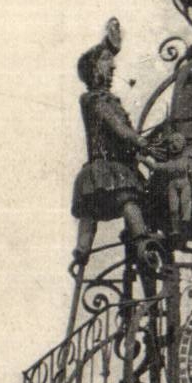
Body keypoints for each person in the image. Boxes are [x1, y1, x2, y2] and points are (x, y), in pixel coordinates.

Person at [70, 28, 155, 265]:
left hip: (111, 166)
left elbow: (127, 142)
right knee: (128, 202)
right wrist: (137, 139)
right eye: (107, 60)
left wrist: (147, 157)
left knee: (89, 211)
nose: (113, 66)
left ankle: (82, 249)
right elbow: (117, 128)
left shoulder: (106, 100)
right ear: (94, 68)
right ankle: (141, 240)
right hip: (109, 168)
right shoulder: (96, 100)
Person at [161, 132, 192, 235]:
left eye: (177, 141)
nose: (173, 144)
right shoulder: (170, 162)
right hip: (172, 186)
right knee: (173, 209)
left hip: (185, 184)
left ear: (183, 144)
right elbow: (156, 166)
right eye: (171, 142)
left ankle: (186, 227)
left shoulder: (188, 160)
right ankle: (176, 229)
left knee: (185, 205)